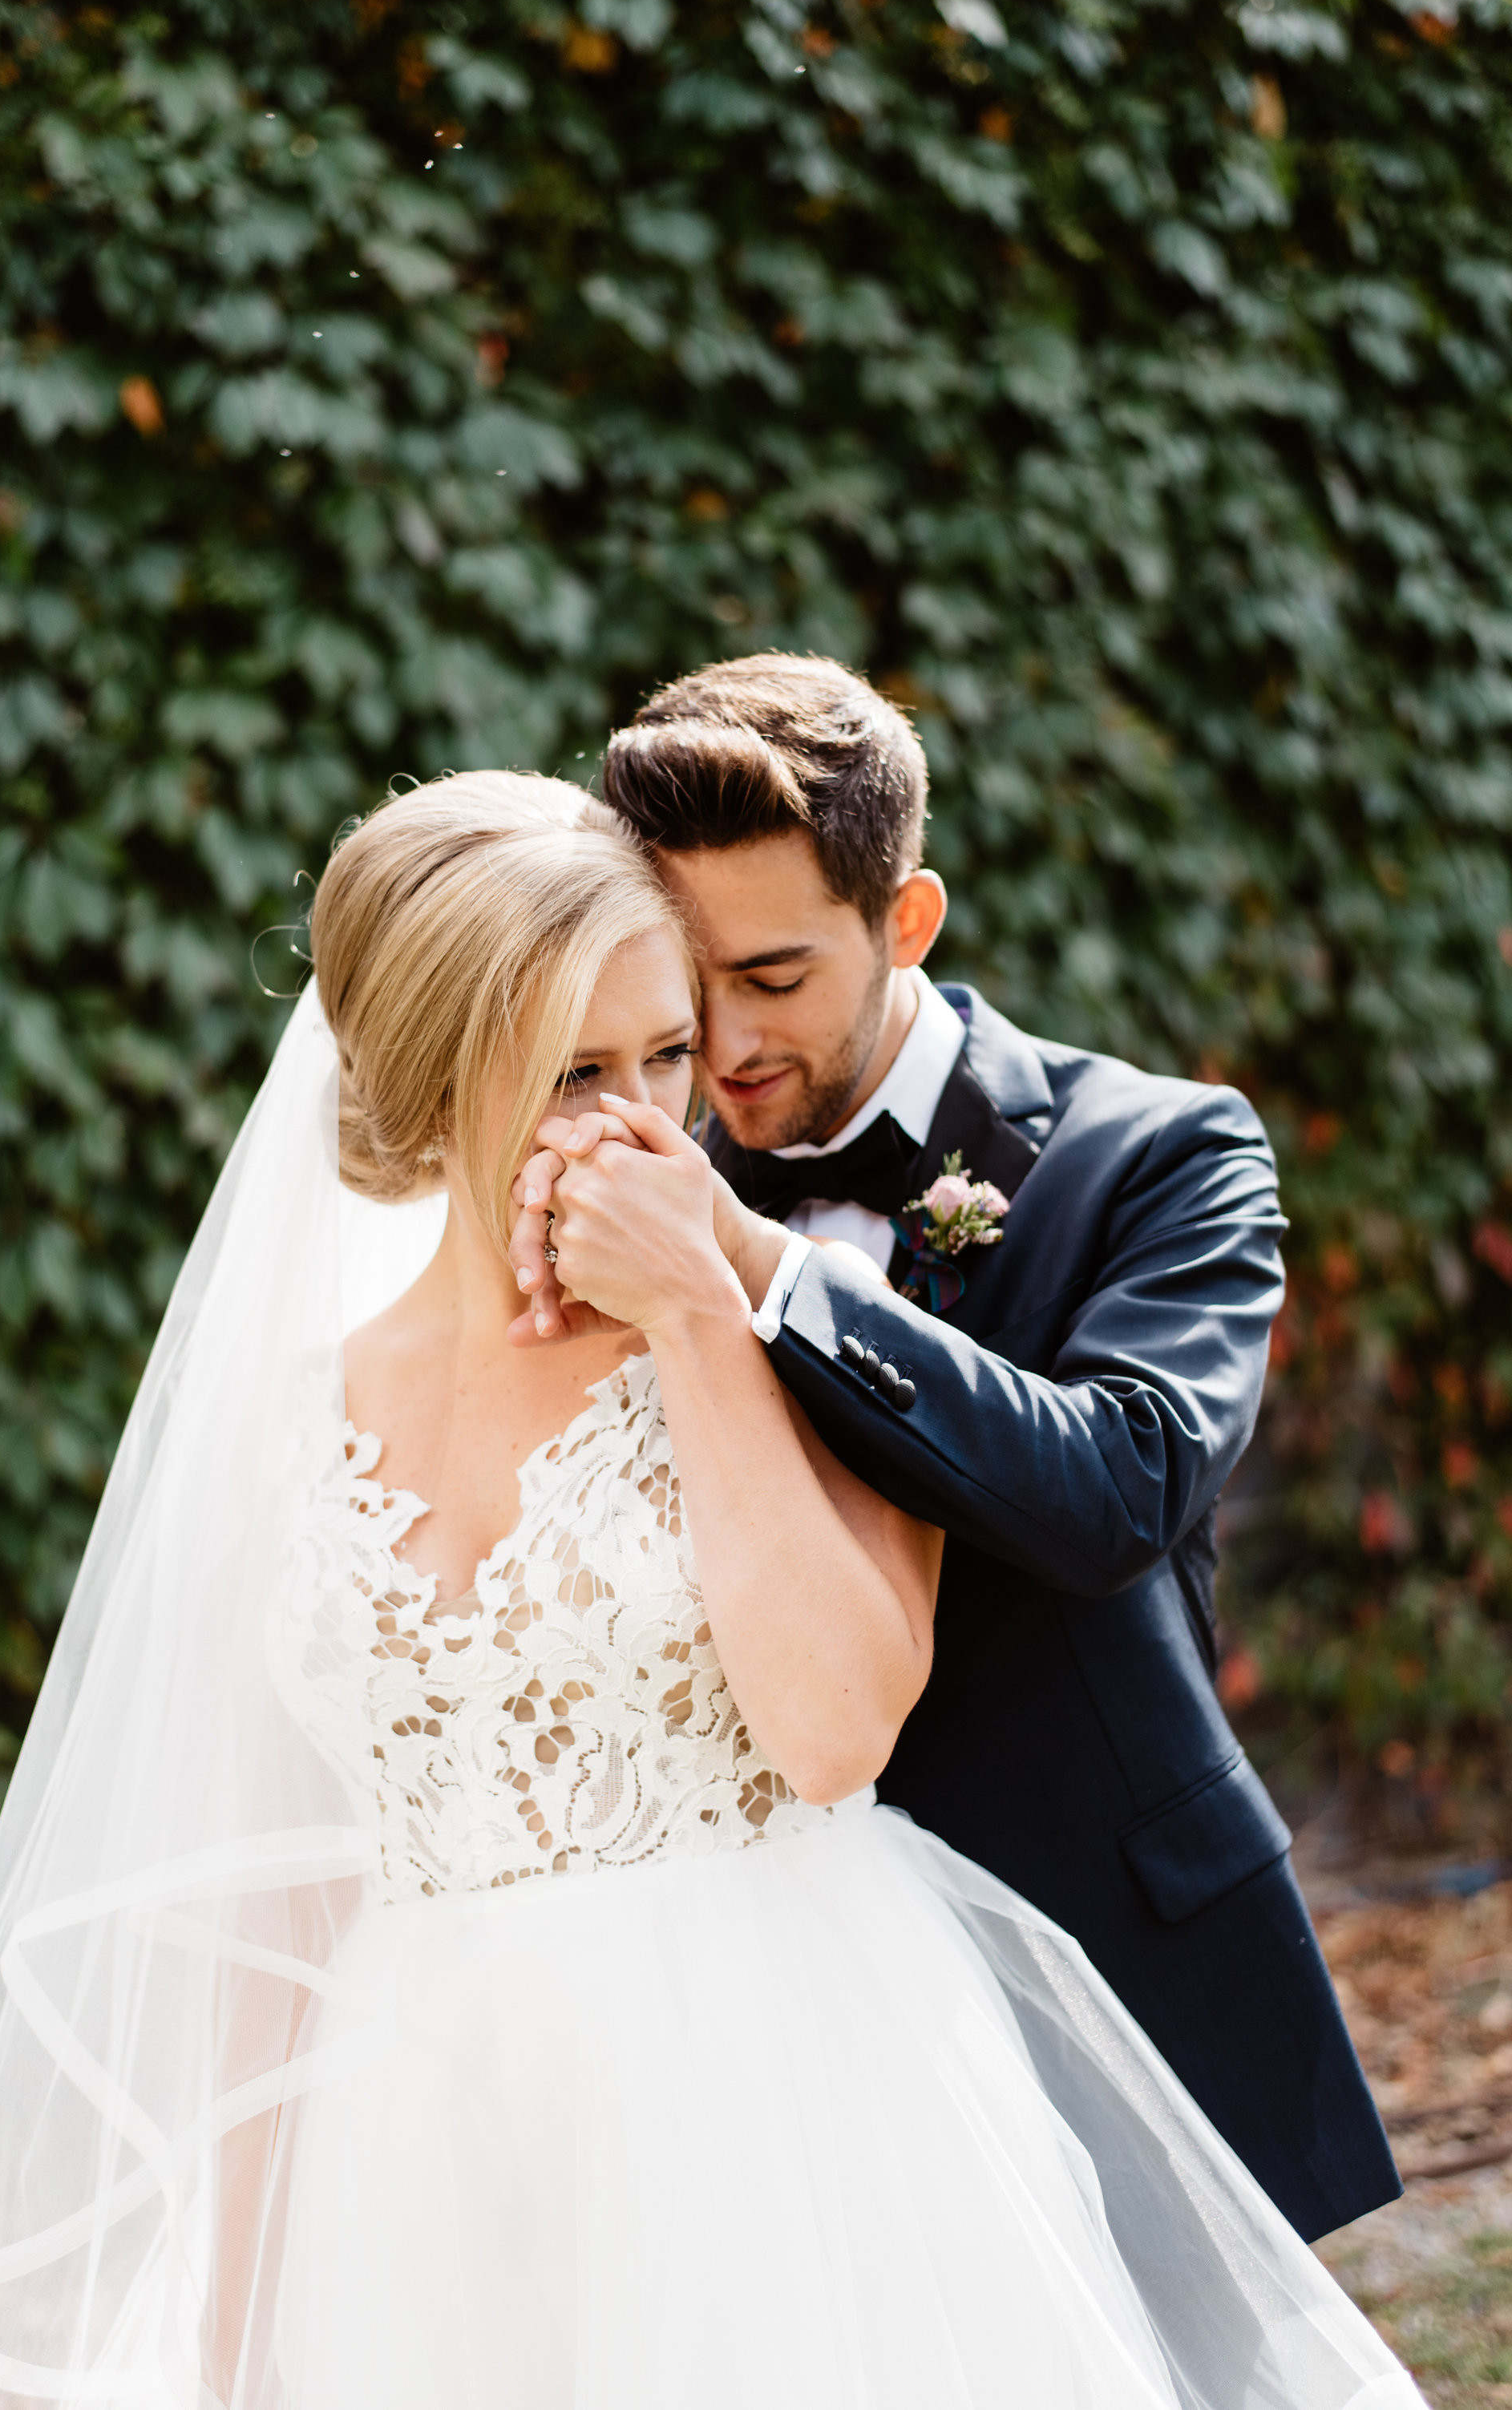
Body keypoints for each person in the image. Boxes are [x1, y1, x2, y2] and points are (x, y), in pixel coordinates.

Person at [0, 773, 1418, 2410]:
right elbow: (276, 1915)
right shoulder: (289, 1405)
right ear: (434, 1083)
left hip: (768, 2093)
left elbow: (835, 1729)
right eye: (575, 1073)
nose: (643, 1122)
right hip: (413, 2156)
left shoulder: (795, 1322)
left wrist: (699, 1318)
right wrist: (235, 2327)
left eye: (664, 1058)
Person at [507, 653, 1400, 2247]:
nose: (716, 1045)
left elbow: (1118, 1487)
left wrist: (763, 1275)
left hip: (1114, 1964)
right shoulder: (621, 1179)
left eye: (773, 977)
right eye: (682, 975)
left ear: (904, 924)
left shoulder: (1165, 1154)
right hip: (771, 2005)